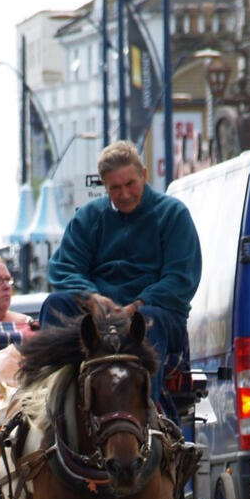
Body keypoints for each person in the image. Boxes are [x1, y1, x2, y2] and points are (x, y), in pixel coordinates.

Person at [40, 139, 202, 403]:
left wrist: (137, 305)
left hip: (154, 311)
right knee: (55, 304)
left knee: (147, 320)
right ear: (104, 186)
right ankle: (53, 405)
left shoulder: (172, 214)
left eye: (130, 184)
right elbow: (64, 267)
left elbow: (180, 278)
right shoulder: (88, 217)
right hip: (98, 310)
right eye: (115, 188)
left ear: (144, 175)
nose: (124, 194)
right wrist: (91, 297)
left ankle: (150, 411)